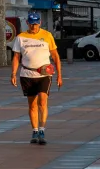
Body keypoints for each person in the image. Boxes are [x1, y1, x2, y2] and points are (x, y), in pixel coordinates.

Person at [10, 11, 63, 145]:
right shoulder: (21, 37)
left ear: (39, 22)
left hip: (44, 74)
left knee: (43, 101)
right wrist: (13, 73)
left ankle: (42, 129)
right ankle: (34, 130)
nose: (34, 26)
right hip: (27, 74)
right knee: (32, 104)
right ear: (27, 23)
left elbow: (55, 56)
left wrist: (60, 75)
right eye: (31, 23)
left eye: (36, 23)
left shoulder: (47, 35)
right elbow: (16, 57)